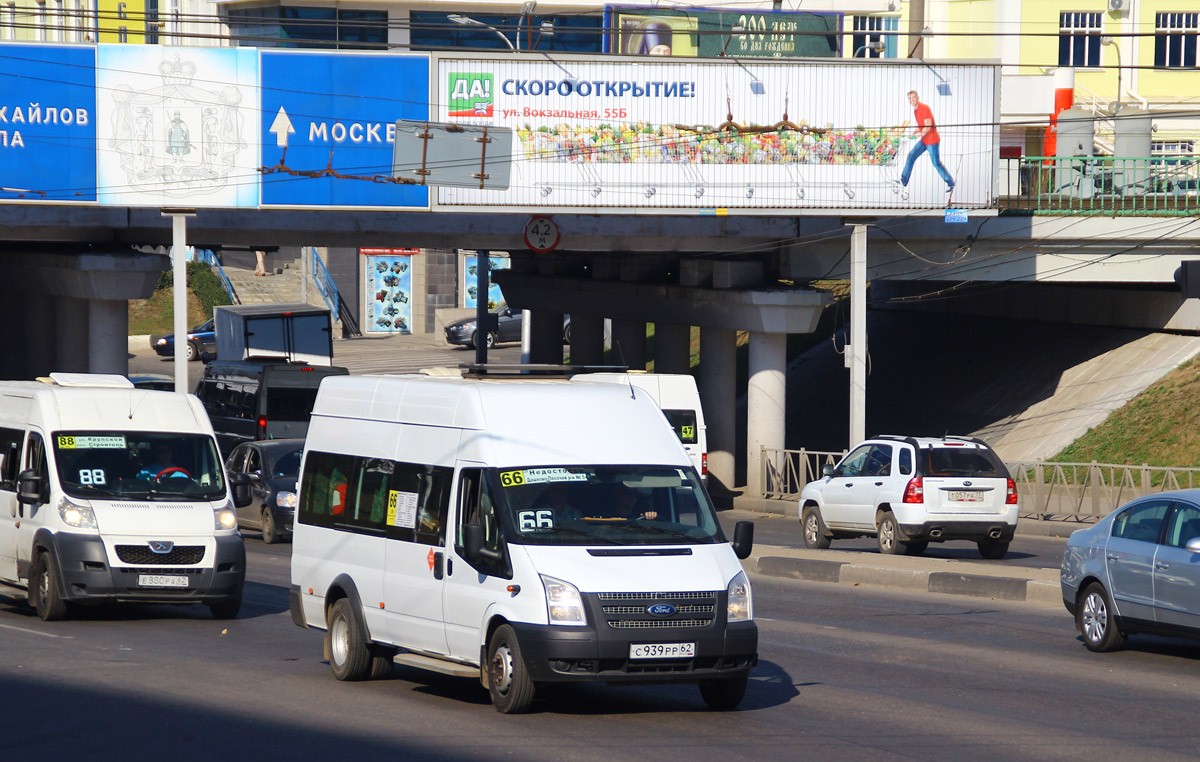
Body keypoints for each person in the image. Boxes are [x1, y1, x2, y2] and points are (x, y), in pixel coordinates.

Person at [898, 90, 955, 194]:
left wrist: (918, 135)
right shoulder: (915, 111)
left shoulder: (924, 108)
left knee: (936, 163)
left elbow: (927, 126)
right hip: (924, 140)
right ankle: (903, 181)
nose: (912, 100)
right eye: (910, 98)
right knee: (911, 156)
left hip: (932, 141)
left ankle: (951, 182)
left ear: (918, 97)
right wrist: (913, 133)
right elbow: (921, 126)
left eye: (913, 97)